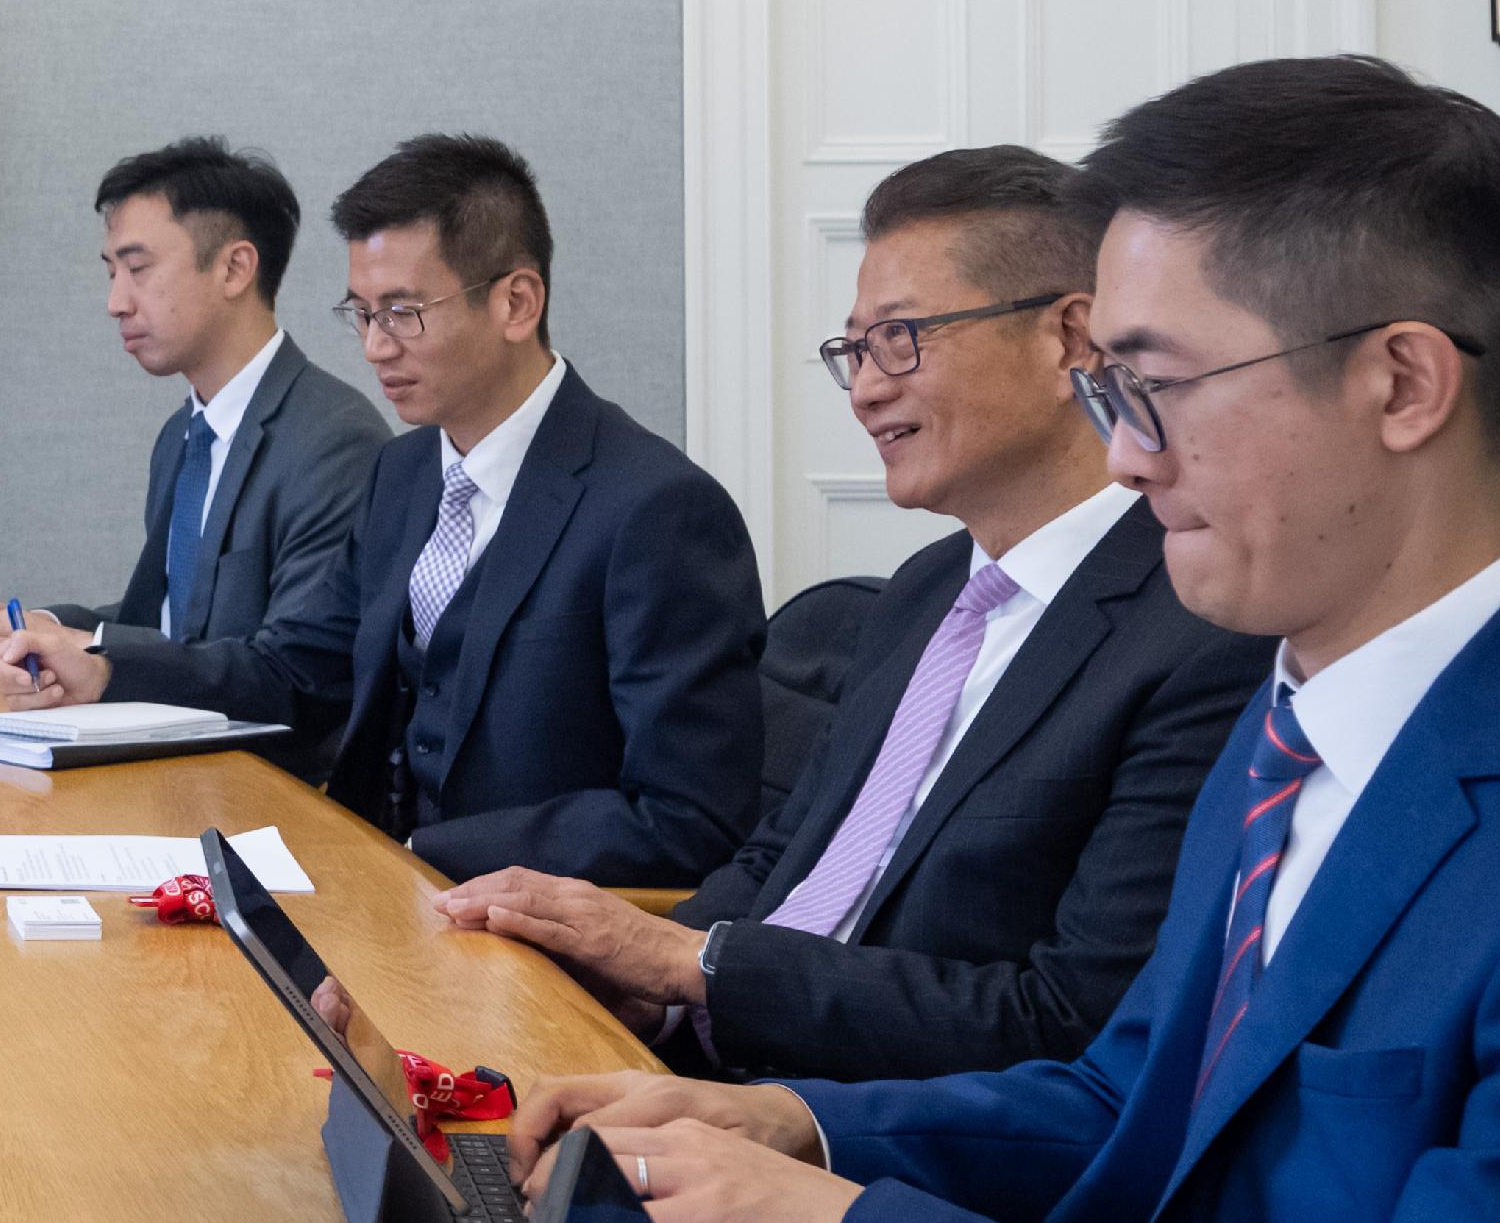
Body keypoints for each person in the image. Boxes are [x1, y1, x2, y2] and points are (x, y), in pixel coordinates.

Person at [511, 58, 1500, 1223]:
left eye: (1156, 388)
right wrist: (783, 1124)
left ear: (1404, 381)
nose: (1128, 452)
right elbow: (1117, 1097)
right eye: (1107, 393)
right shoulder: (1297, 706)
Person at [425, 146, 1265, 1081]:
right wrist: (634, 985)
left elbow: (1070, 1020)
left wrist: (695, 969)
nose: (866, 387)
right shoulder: (922, 589)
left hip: (872, 1145)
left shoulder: (1198, 629)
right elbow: (780, 863)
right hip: (700, 1072)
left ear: (1070, 337)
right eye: (854, 350)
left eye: (902, 339)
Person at [313, 134, 758, 884]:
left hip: (523, 944)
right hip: (372, 900)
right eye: (360, 313)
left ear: (516, 301)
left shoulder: (658, 510)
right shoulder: (402, 471)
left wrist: (430, 855)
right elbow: (306, 665)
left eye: (402, 311)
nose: (374, 348)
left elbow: (691, 817)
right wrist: (104, 663)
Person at [0, 138, 386, 722]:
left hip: (262, 784)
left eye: (138, 269)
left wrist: (102, 662)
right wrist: (41, 628)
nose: (116, 302)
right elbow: (170, 624)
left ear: (235, 268)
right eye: (112, 272)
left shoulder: (333, 442)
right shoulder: (183, 436)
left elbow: (295, 674)